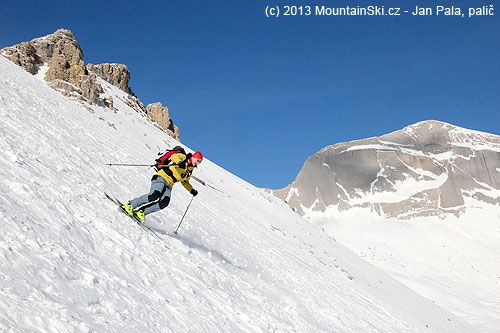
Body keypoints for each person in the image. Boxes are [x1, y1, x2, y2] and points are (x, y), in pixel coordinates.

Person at [121, 151, 203, 222]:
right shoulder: (184, 157)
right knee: (154, 195)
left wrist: (192, 190)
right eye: (198, 160)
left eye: (199, 162)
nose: (197, 163)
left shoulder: (189, 171)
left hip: (170, 184)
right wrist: (179, 163)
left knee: (164, 202)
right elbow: (174, 156)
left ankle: (142, 212)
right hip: (162, 177)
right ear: (194, 157)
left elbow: (185, 182)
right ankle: (130, 205)